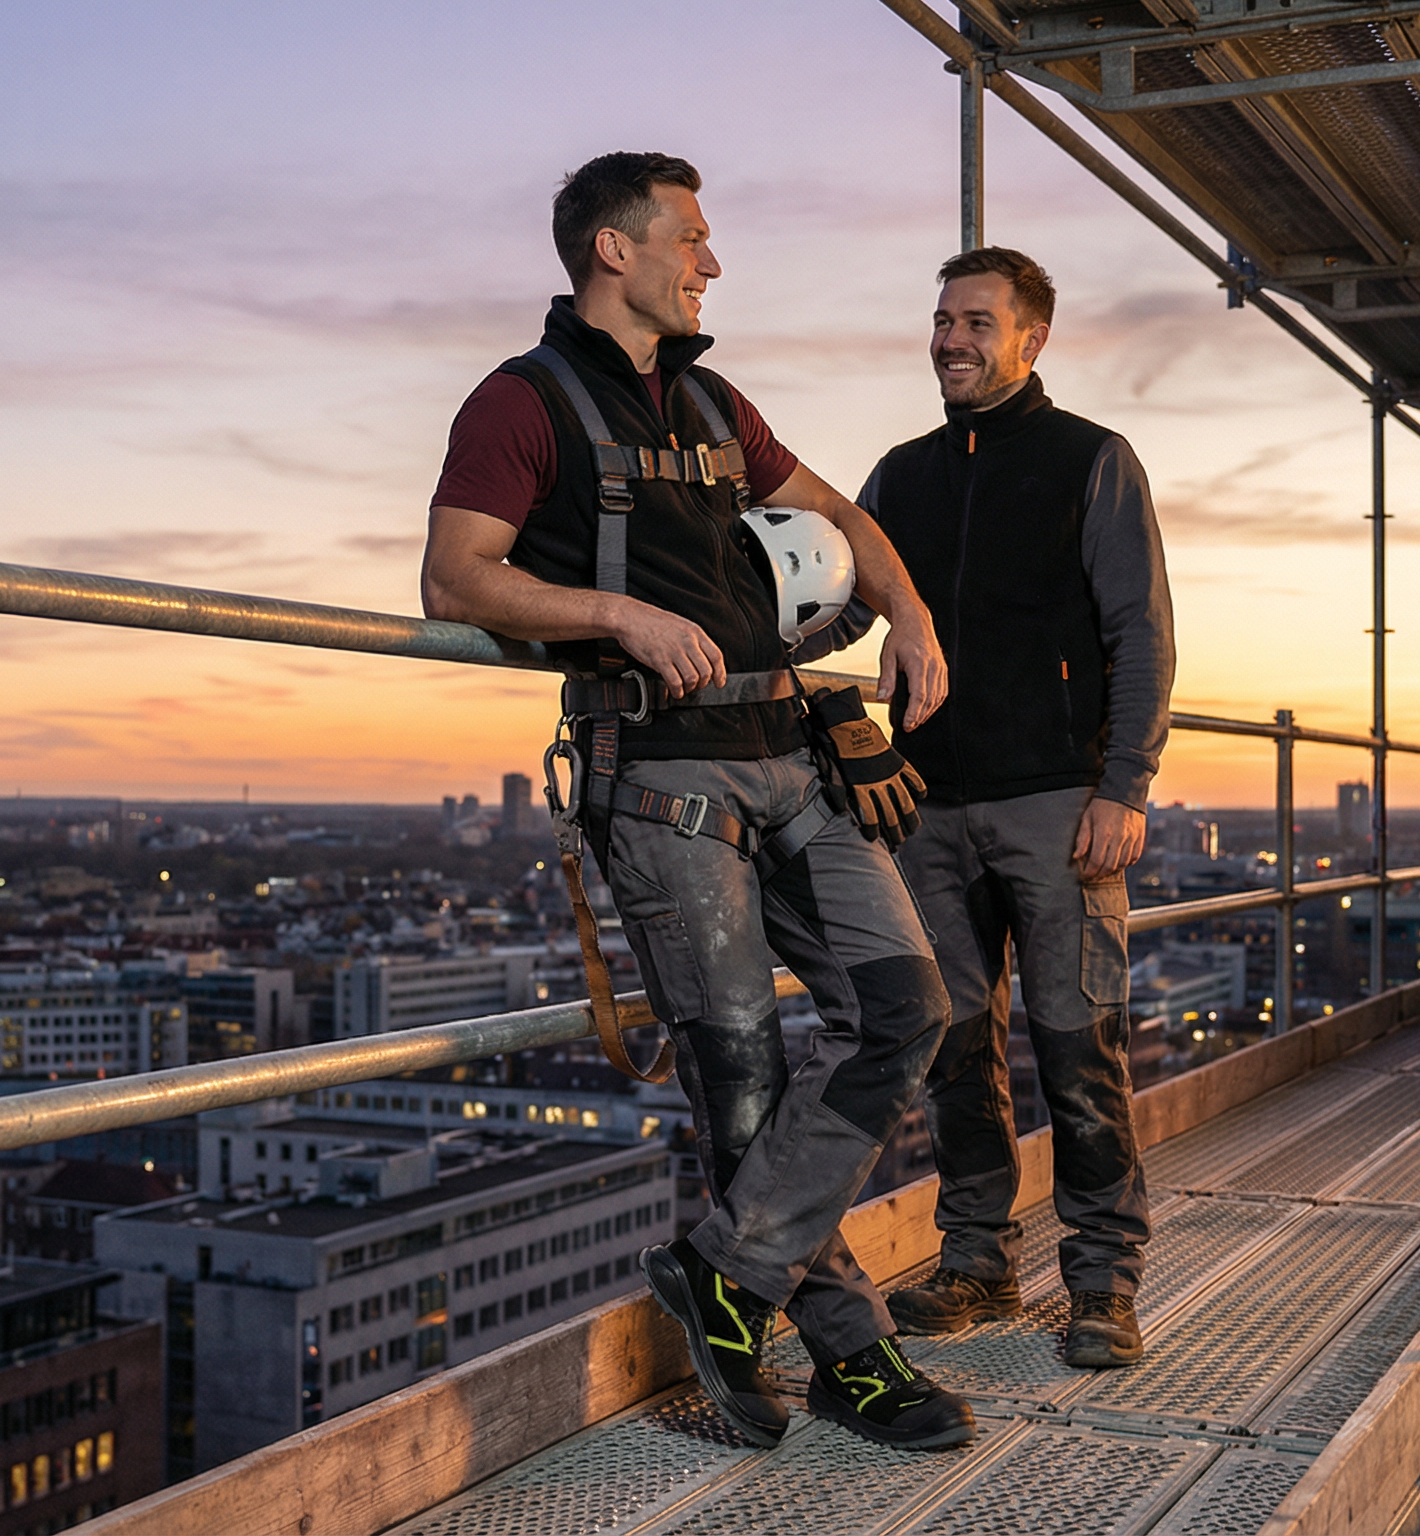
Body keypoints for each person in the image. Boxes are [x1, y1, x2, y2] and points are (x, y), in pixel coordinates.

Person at [420, 151, 974, 1451]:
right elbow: (457, 578)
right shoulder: (522, 404)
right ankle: (851, 1357)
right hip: (660, 783)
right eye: (692, 238)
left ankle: (725, 1270)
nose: (710, 261)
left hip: (792, 759)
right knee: (741, 1078)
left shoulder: (717, 406)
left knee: (907, 1008)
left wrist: (909, 612)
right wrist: (614, 611)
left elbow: (834, 512)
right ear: (616, 250)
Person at [853, 247, 1175, 1368]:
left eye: (977, 322)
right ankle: (977, 1263)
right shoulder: (896, 477)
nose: (951, 338)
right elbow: (829, 606)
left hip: (1057, 805)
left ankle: (1100, 1282)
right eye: (942, 318)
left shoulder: (1092, 460)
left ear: (1031, 339)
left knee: (1077, 1045)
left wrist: (1123, 785)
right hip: (926, 806)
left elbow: (1139, 632)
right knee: (952, 1051)